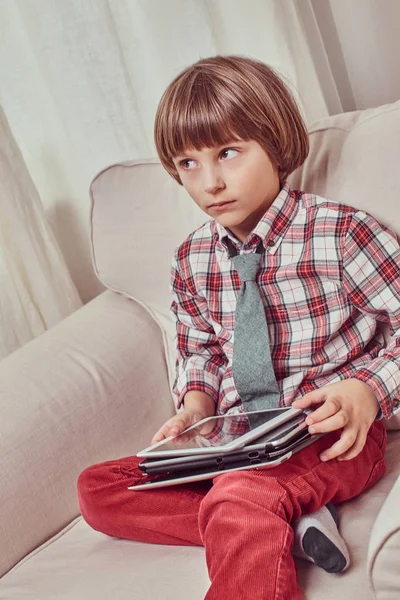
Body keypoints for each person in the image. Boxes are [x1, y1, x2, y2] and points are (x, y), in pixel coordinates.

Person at [77, 55, 399, 599]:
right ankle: (287, 521)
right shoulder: (192, 259)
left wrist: (367, 388)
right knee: (98, 490)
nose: (211, 181)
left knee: (237, 498)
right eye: (188, 163)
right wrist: (197, 407)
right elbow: (200, 350)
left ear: (275, 144)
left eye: (227, 152)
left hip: (324, 437)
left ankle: (255, 510)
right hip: (237, 442)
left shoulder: (340, 234)